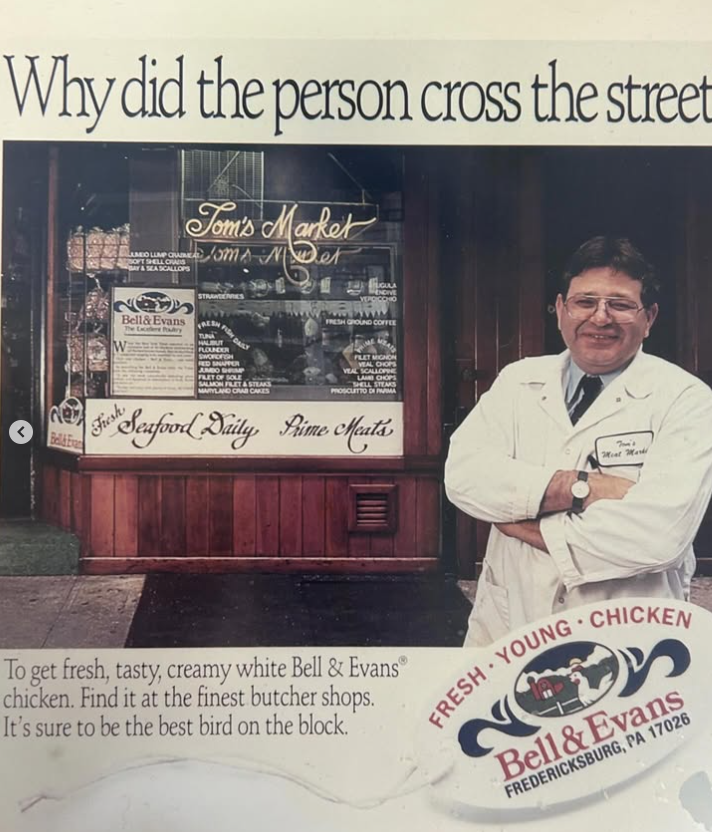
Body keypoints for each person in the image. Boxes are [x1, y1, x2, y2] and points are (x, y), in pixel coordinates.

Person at [444, 236, 712, 647]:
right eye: (585, 301)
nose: (600, 318)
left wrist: (515, 516)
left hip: (626, 635)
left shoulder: (687, 399)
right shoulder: (519, 381)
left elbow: (659, 536)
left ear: (650, 318)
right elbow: (464, 478)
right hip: (510, 624)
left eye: (620, 304)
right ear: (560, 310)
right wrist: (580, 488)